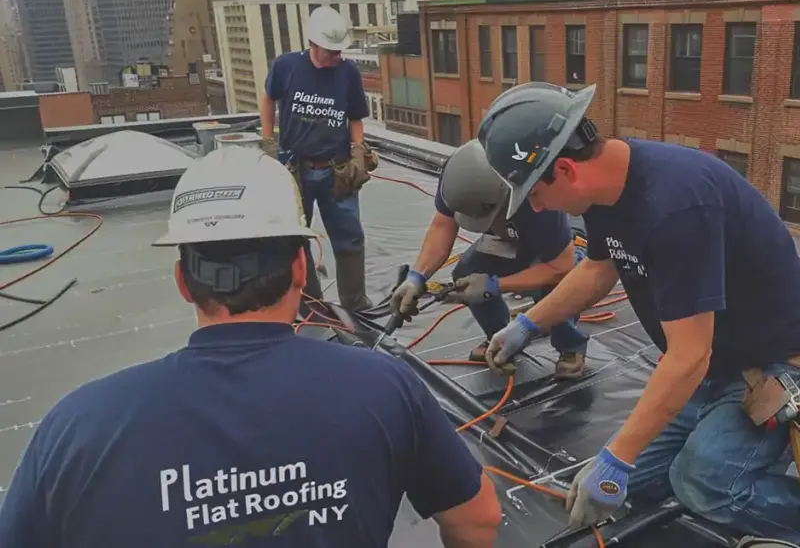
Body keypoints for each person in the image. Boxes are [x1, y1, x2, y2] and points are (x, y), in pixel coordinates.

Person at [0, 146, 502, 548]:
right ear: (301, 269)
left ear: (182, 281)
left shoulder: (78, 426)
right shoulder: (385, 386)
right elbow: (478, 520)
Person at [474, 81, 800, 548]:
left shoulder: (676, 206)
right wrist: (528, 325)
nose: (537, 207)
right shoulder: (608, 190)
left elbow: (689, 356)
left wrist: (616, 458)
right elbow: (599, 268)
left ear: (565, 169)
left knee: (700, 483)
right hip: (714, 366)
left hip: (774, 366)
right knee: (635, 486)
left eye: (534, 193)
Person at [390, 139, 590, 378]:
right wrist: (416, 276)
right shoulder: (459, 177)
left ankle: (570, 346)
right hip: (511, 233)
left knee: (562, 282)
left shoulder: (538, 195)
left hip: (560, 242)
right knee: (468, 271)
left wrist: (495, 285)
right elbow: (443, 224)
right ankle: (501, 338)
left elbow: (560, 267)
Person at [259, 5, 377, 313]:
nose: (337, 56)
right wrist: (268, 142)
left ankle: (355, 303)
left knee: (349, 238)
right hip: (295, 170)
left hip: (336, 170)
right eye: (331, 51)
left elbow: (355, 117)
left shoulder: (348, 73)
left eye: (340, 51)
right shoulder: (286, 66)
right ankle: (311, 306)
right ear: (313, 44)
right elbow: (268, 98)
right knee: (296, 239)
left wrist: (358, 151)